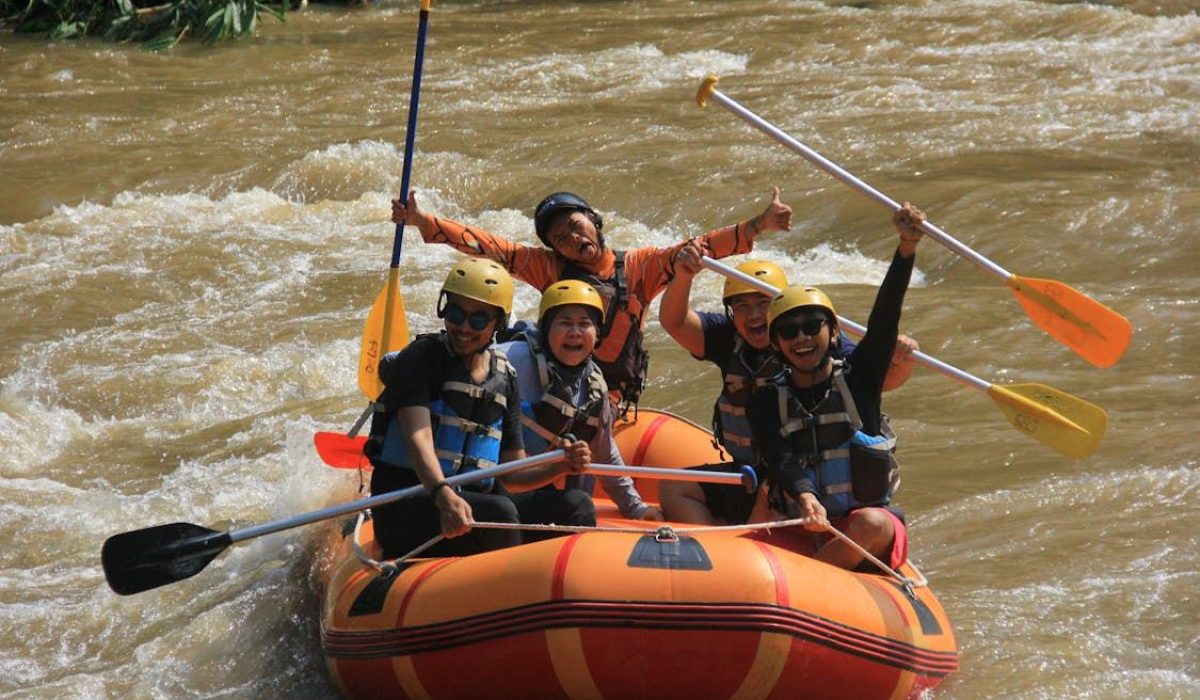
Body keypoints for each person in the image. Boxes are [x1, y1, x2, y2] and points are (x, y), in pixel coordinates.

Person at [391, 188, 793, 410]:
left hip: (610, 401)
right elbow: (487, 246)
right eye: (560, 239)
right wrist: (423, 221)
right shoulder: (547, 267)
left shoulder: (639, 267)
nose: (572, 240)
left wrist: (759, 224)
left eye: (575, 227)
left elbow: (698, 247)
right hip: (552, 392)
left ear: (595, 222)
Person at [656, 253, 920, 525]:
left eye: (763, 303)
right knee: (674, 487)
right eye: (743, 307)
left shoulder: (819, 342)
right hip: (757, 471)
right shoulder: (728, 338)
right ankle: (721, 553)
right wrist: (684, 274)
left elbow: (876, 382)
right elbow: (674, 322)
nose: (755, 315)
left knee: (777, 493)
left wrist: (899, 361)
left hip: (804, 473)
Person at [363, 257, 593, 558]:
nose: (464, 327)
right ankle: (509, 593)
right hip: (410, 503)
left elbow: (512, 474)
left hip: (474, 503)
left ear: (498, 323)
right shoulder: (420, 359)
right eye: (456, 313)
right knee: (498, 512)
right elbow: (418, 438)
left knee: (575, 505)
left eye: (479, 319)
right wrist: (443, 495)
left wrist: (561, 465)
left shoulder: (505, 377)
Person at [745, 203, 928, 571]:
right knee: (753, 539)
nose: (802, 338)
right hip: (809, 524)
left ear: (832, 334)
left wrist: (906, 247)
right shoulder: (765, 400)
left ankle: (810, 579)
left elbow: (885, 318)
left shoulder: (860, 377)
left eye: (813, 326)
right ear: (777, 343)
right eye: (788, 331)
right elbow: (780, 459)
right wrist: (807, 496)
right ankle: (808, 578)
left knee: (871, 523)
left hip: (864, 529)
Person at [496, 279, 665, 522]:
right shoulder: (509, 358)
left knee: (579, 498)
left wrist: (635, 507)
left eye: (584, 324)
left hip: (538, 490)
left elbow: (605, 454)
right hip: (495, 484)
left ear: (597, 335)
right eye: (565, 322)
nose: (575, 332)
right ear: (546, 328)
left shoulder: (595, 387)